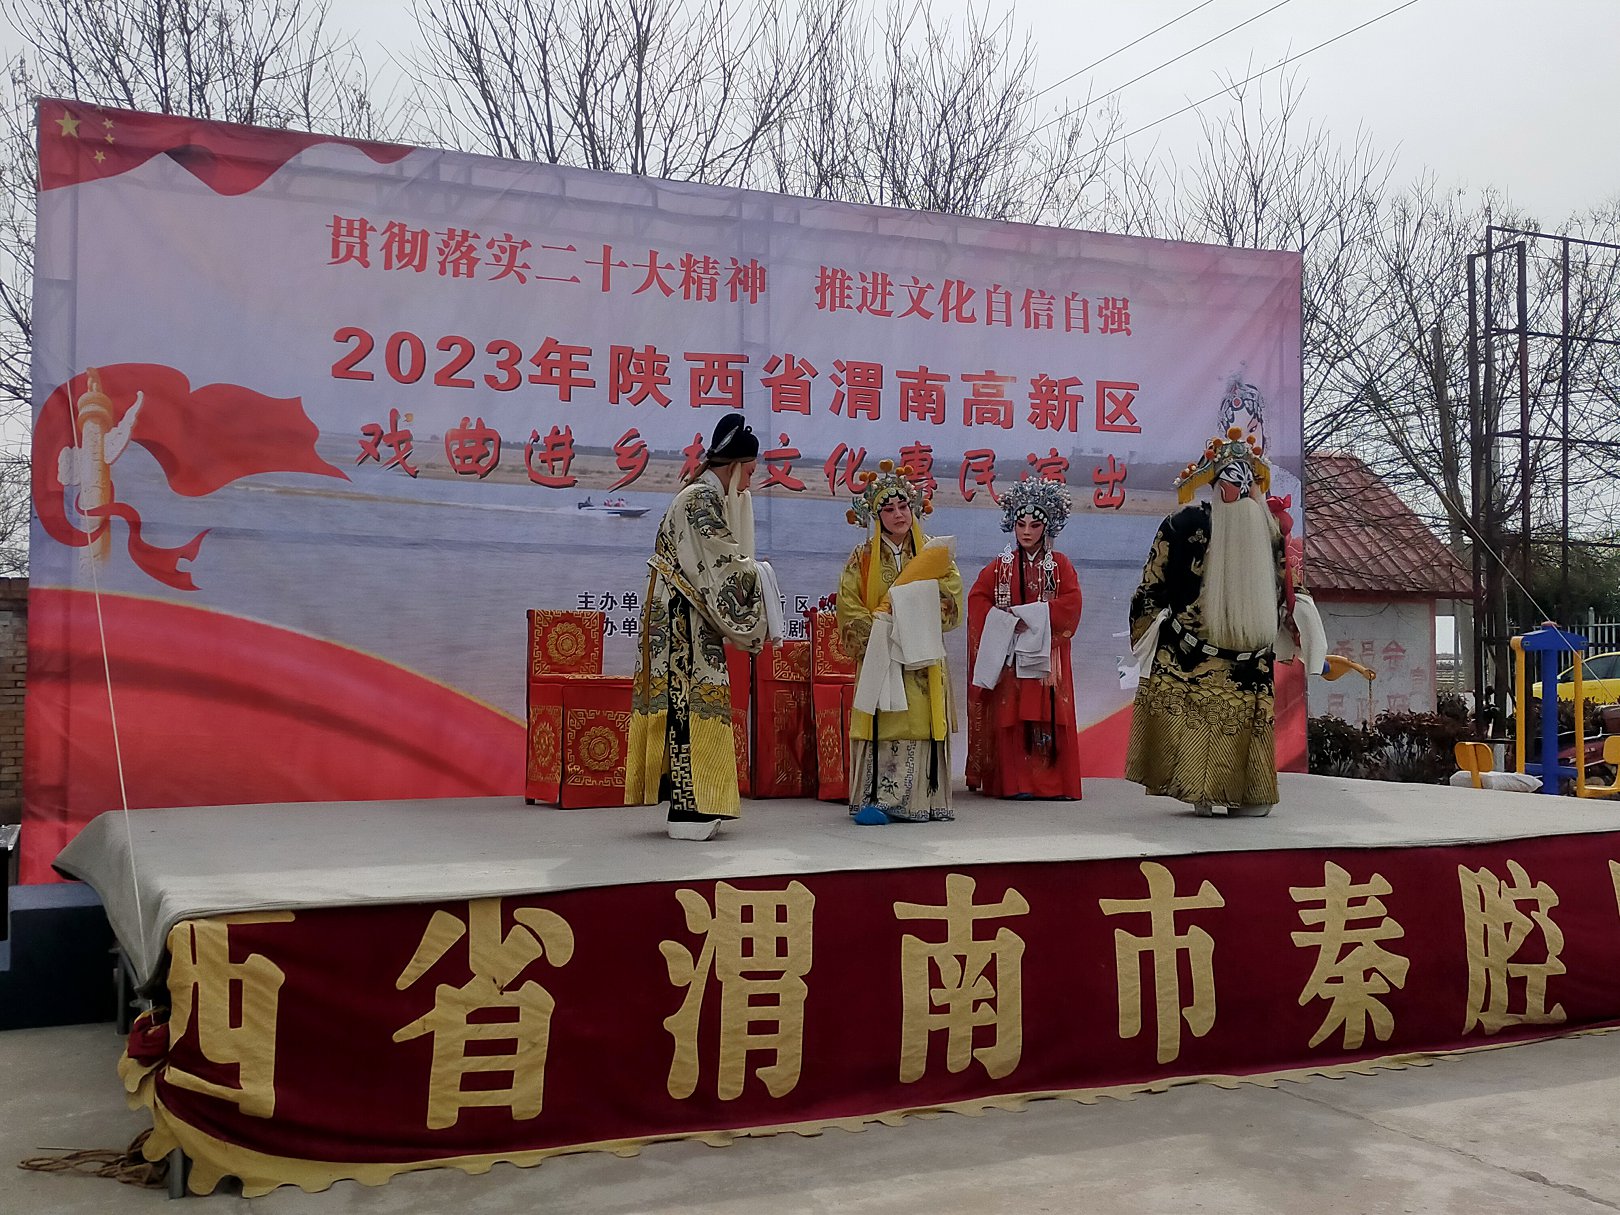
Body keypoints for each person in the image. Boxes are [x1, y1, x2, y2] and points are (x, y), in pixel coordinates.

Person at [1124, 428, 1299, 818]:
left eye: (1248, 482)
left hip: (1237, 657)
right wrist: (1149, 630)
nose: (1243, 489)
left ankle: (1236, 792)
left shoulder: (1267, 530)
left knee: (1235, 723)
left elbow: (1285, 587)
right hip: (1202, 652)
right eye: (1235, 481)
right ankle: (1208, 790)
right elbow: (1153, 585)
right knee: (1205, 723)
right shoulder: (1192, 523)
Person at [626, 412, 769, 840]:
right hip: (680, 620)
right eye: (749, 474)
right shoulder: (700, 501)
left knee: (693, 704)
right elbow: (722, 565)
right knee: (686, 706)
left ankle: (698, 803)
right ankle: (689, 809)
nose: (748, 484)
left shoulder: (701, 496)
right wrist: (761, 577)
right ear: (735, 467)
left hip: (685, 612)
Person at [835, 460, 963, 824]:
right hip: (881, 649)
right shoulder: (862, 558)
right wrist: (878, 625)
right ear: (877, 517)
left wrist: (906, 608)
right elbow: (848, 604)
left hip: (921, 655)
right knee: (884, 719)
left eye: (903, 506)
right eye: (888, 509)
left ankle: (923, 800)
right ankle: (879, 800)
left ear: (914, 508)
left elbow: (952, 597)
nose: (898, 515)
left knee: (919, 720)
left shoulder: (933, 554)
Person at [966, 476, 1084, 800]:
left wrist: (1035, 618)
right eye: (1021, 524)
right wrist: (1004, 622)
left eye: (1034, 525)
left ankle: (1054, 784)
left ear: (1047, 528)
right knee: (1011, 715)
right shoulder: (1000, 566)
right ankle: (1016, 783)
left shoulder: (1060, 565)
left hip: (1049, 657)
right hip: (1012, 654)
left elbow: (1072, 603)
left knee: (1051, 713)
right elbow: (977, 599)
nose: (1027, 531)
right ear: (1012, 526)